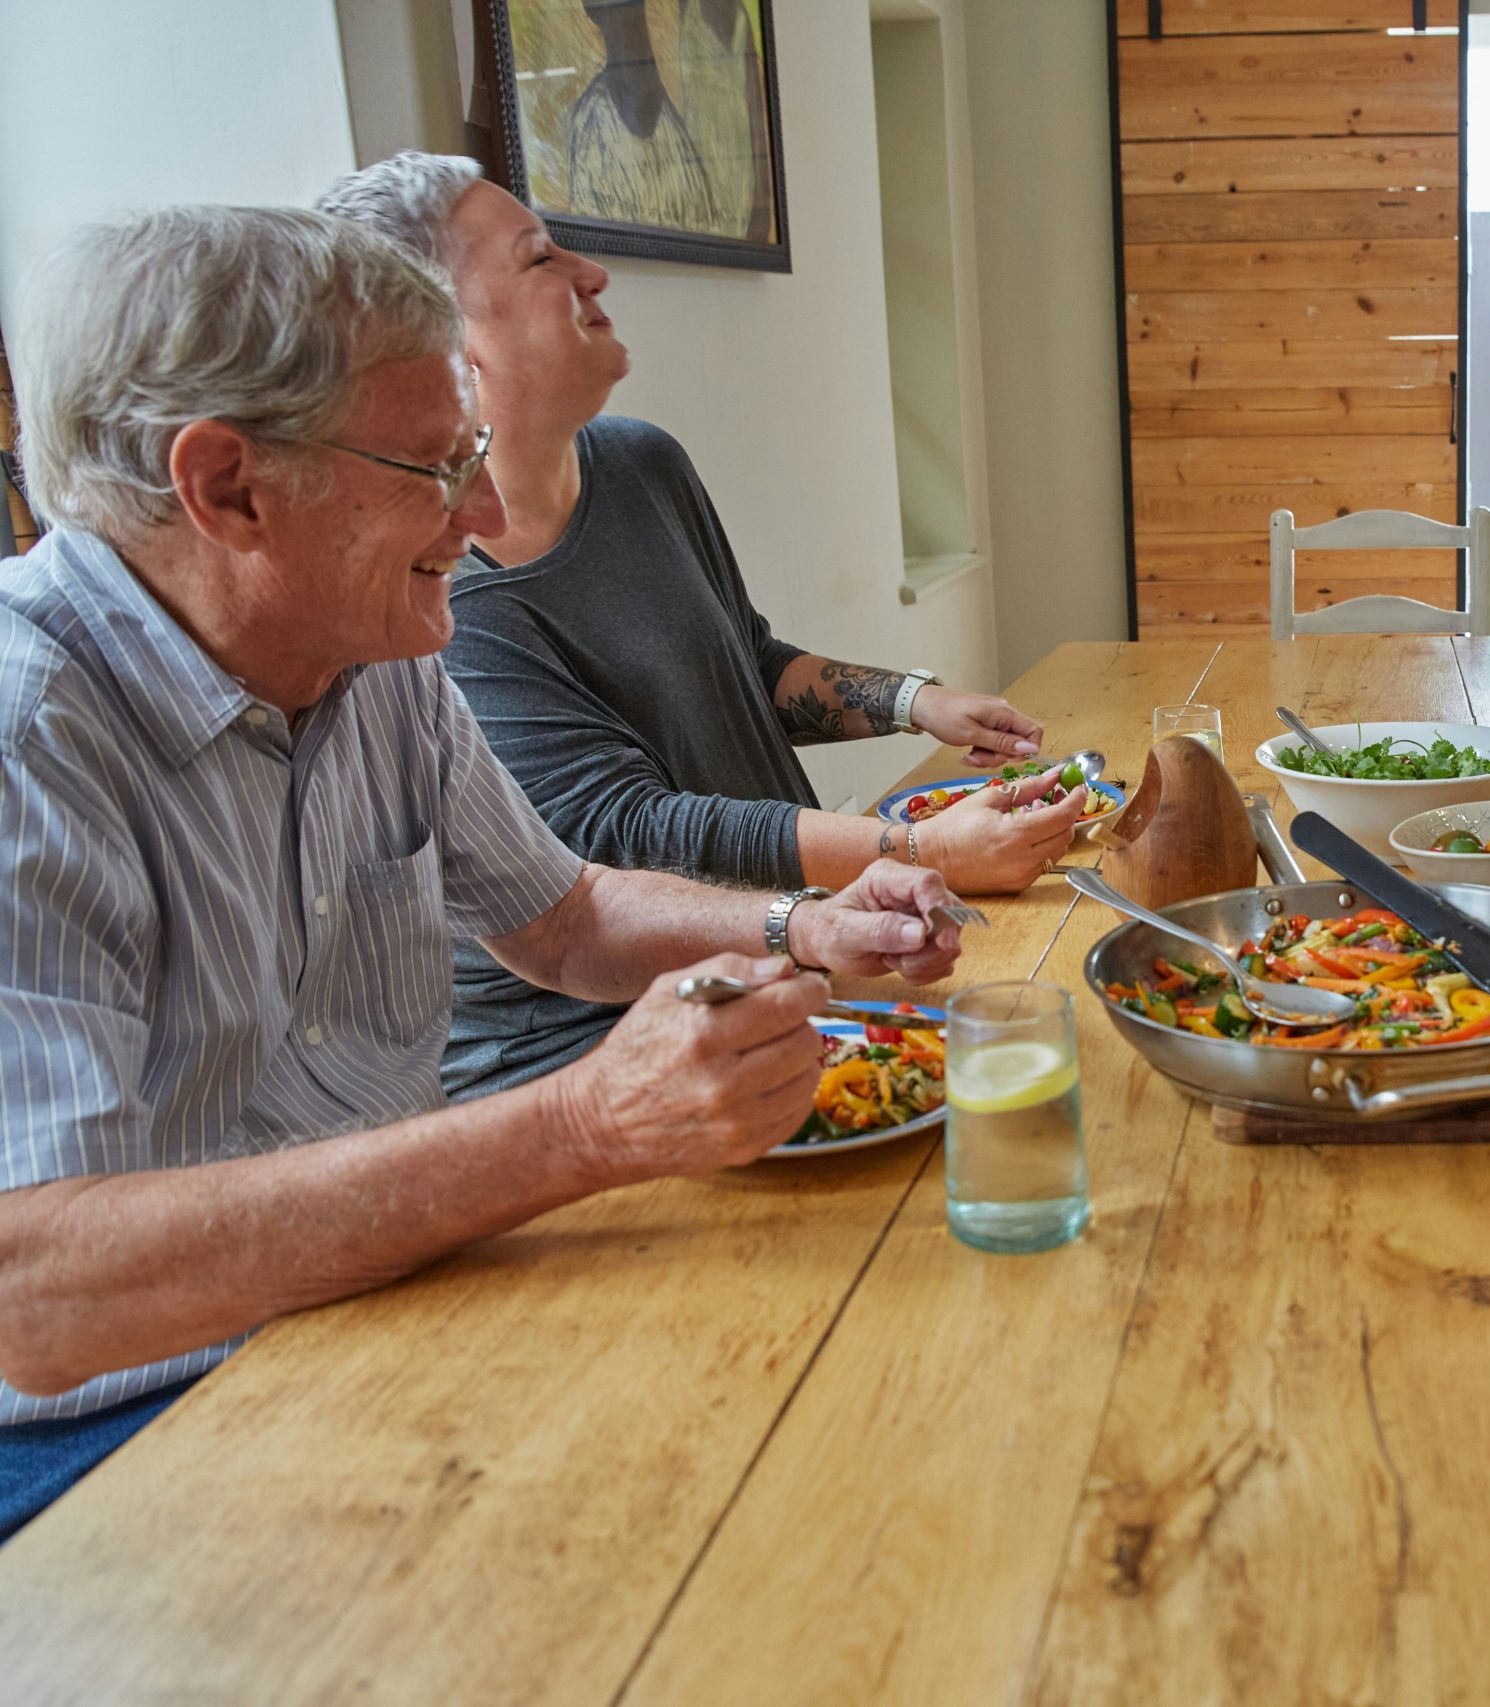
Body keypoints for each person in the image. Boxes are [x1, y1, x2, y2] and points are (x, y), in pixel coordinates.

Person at [0, 207, 964, 1537]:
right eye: (437, 463)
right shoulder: (26, 740)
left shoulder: (373, 642)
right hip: (119, 1431)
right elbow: (39, 1290)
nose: (490, 510)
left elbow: (562, 918)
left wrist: (804, 922)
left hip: (388, 1295)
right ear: (226, 487)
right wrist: (582, 1125)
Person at [317, 152, 1077, 1101]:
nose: (590, 275)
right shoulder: (444, 598)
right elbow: (625, 832)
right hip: (598, 1058)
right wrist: (916, 850)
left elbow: (743, 664)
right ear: (447, 342)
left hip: (786, 981)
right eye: (539, 259)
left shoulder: (641, 463)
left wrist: (920, 702)